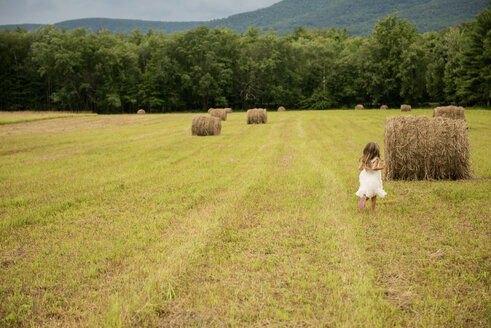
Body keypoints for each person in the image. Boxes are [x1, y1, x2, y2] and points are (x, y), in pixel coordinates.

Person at [356, 142, 387, 213]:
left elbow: (360, 168)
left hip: (365, 177)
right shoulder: (376, 159)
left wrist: (365, 167)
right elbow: (373, 168)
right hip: (373, 177)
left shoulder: (365, 158)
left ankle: (364, 197)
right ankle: (373, 210)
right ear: (376, 151)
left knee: (367, 190)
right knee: (374, 195)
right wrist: (381, 168)